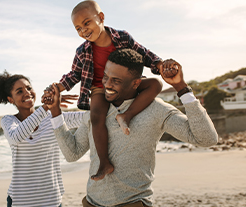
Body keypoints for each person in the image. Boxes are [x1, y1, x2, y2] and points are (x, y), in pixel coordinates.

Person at [45, 49, 218, 207]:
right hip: (92, 203)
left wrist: (181, 87)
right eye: (105, 77)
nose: (107, 84)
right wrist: (55, 111)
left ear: (136, 83)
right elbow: (72, 153)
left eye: (116, 81)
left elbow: (207, 139)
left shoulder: (156, 109)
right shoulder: (97, 111)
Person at [46, 0, 180, 181]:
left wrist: (160, 64)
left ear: (101, 17)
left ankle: (127, 115)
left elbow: (144, 54)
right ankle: (104, 162)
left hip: (124, 85)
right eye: (77, 28)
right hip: (100, 88)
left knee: (156, 84)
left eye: (86, 23)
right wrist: (57, 88)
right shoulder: (82, 51)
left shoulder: (122, 37)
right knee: (96, 116)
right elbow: (74, 74)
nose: (83, 30)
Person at [0, 71, 84, 207]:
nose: (27, 93)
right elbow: (17, 136)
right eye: (19, 91)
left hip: (52, 200)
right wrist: (46, 107)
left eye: (29, 88)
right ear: (11, 99)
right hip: (20, 201)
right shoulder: (9, 121)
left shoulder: (54, 117)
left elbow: (88, 119)